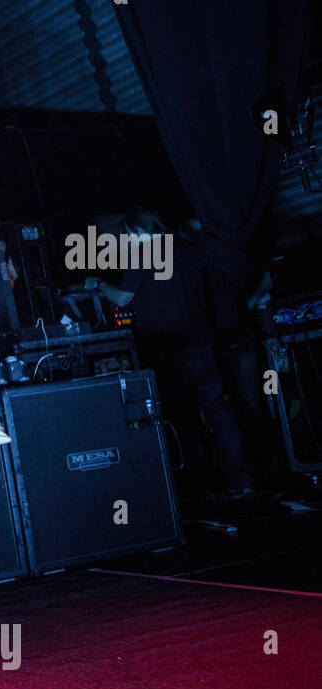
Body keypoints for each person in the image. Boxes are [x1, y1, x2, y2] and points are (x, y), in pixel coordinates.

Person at [85, 207, 253, 495]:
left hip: (168, 346)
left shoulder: (143, 255)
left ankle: (202, 489)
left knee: (181, 417)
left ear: (138, 232)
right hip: (201, 340)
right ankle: (242, 483)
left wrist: (99, 284)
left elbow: (123, 299)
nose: (126, 243)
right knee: (218, 411)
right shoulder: (188, 249)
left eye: (127, 237)